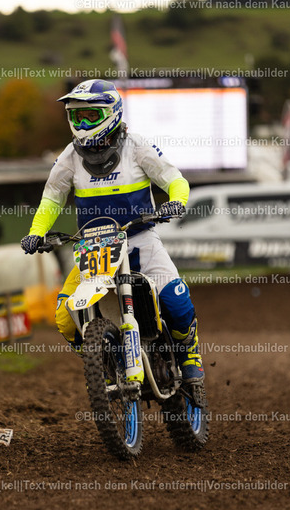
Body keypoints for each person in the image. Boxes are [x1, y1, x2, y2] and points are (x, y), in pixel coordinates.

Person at [21, 79, 204, 383]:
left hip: (140, 239)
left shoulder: (137, 147)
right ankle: (105, 364)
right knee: (65, 319)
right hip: (94, 248)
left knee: (175, 300)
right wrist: (36, 232)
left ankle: (189, 355)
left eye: (90, 116)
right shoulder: (68, 157)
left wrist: (176, 201)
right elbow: (52, 199)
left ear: (112, 112)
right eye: (76, 116)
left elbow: (174, 179)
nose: (82, 124)